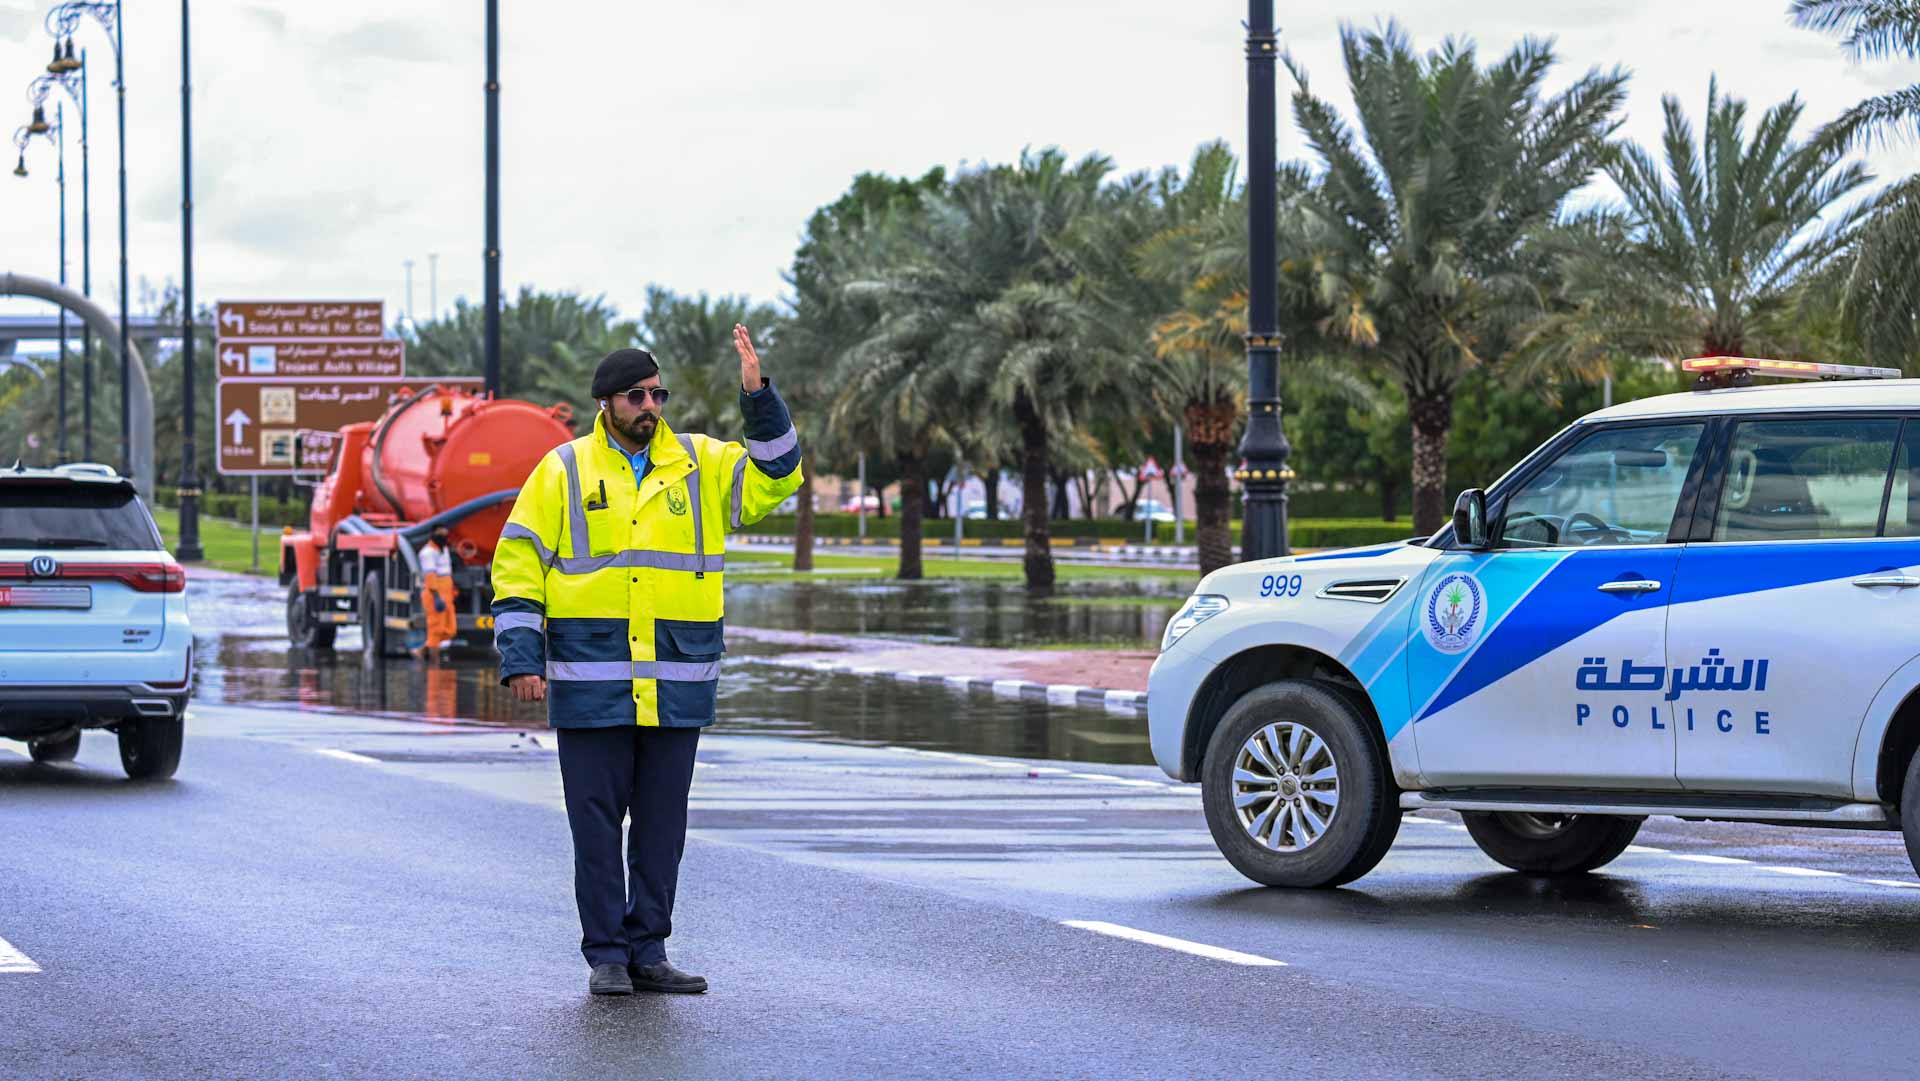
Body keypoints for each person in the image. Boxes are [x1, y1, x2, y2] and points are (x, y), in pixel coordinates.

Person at [491, 326, 803, 997]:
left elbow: (779, 476)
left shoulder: (703, 463)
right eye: (637, 394)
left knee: (662, 829)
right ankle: (606, 953)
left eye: (658, 392)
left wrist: (759, 398)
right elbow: (517, 564)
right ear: (607, 402)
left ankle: (649, 948)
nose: (650, 404)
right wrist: (520, 655)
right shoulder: (565, 469)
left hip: (676, 682)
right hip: (589, 681)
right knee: (596, 828)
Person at [413, 527, 456, 662]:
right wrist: (437, 597)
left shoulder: (444, 550)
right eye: (440, 534)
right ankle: (434, 665)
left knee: (450, 629)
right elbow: (430, 577)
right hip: (435, 595)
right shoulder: (427, 553)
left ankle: (421, 651)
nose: (444, 536)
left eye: (445, 533)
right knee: (436, 630)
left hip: (447, 594)